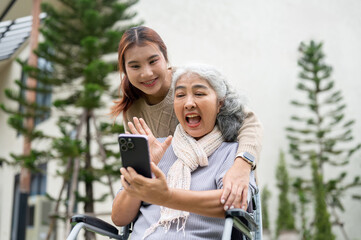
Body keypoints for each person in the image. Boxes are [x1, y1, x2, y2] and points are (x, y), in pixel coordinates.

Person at [110, 26, 262, 210]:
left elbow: (249, 121)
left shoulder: (189, 81)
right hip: (166, 201)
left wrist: (242, 166)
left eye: (153, 61)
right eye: (135, 66)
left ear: (165, 58)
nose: (147, 73)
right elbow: (140, 169)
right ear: (124, 69)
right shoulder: (133, 110)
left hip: (213, 189)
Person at [111, 64, 257, 239]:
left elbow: (233, 205)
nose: (188, 103)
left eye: (199, 94)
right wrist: (143, 169)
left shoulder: (232, 153)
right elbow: (119, 218)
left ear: (220, 103)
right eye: (180, 95)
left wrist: (166, 197)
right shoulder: (156, 148)